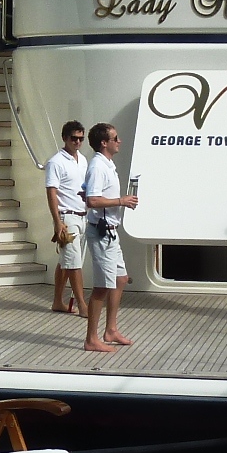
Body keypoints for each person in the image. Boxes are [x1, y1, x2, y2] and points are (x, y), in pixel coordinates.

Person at [82, 121, 137, 353]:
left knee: (120, 279)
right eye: (115, 138)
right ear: (104, 143)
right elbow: (92, 200)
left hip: (111, 232)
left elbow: (89, 193)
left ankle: (111, 329)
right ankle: (91, 339)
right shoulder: (98, 166)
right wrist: (121, 201)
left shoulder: (107, 165)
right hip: (101, 232)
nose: (119, 141)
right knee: (102, 287)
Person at [43, 119, 89, 317]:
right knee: (73, 263)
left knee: (66, 261)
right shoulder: (56, 162)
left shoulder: (83, 160)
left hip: (83, 215)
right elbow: (51, 192)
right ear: (64, 138)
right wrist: (57, 221)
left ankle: (57, 301)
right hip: (67, 217)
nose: (77, 142)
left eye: (81, 139)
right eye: (74, 138)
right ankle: (82, 305)